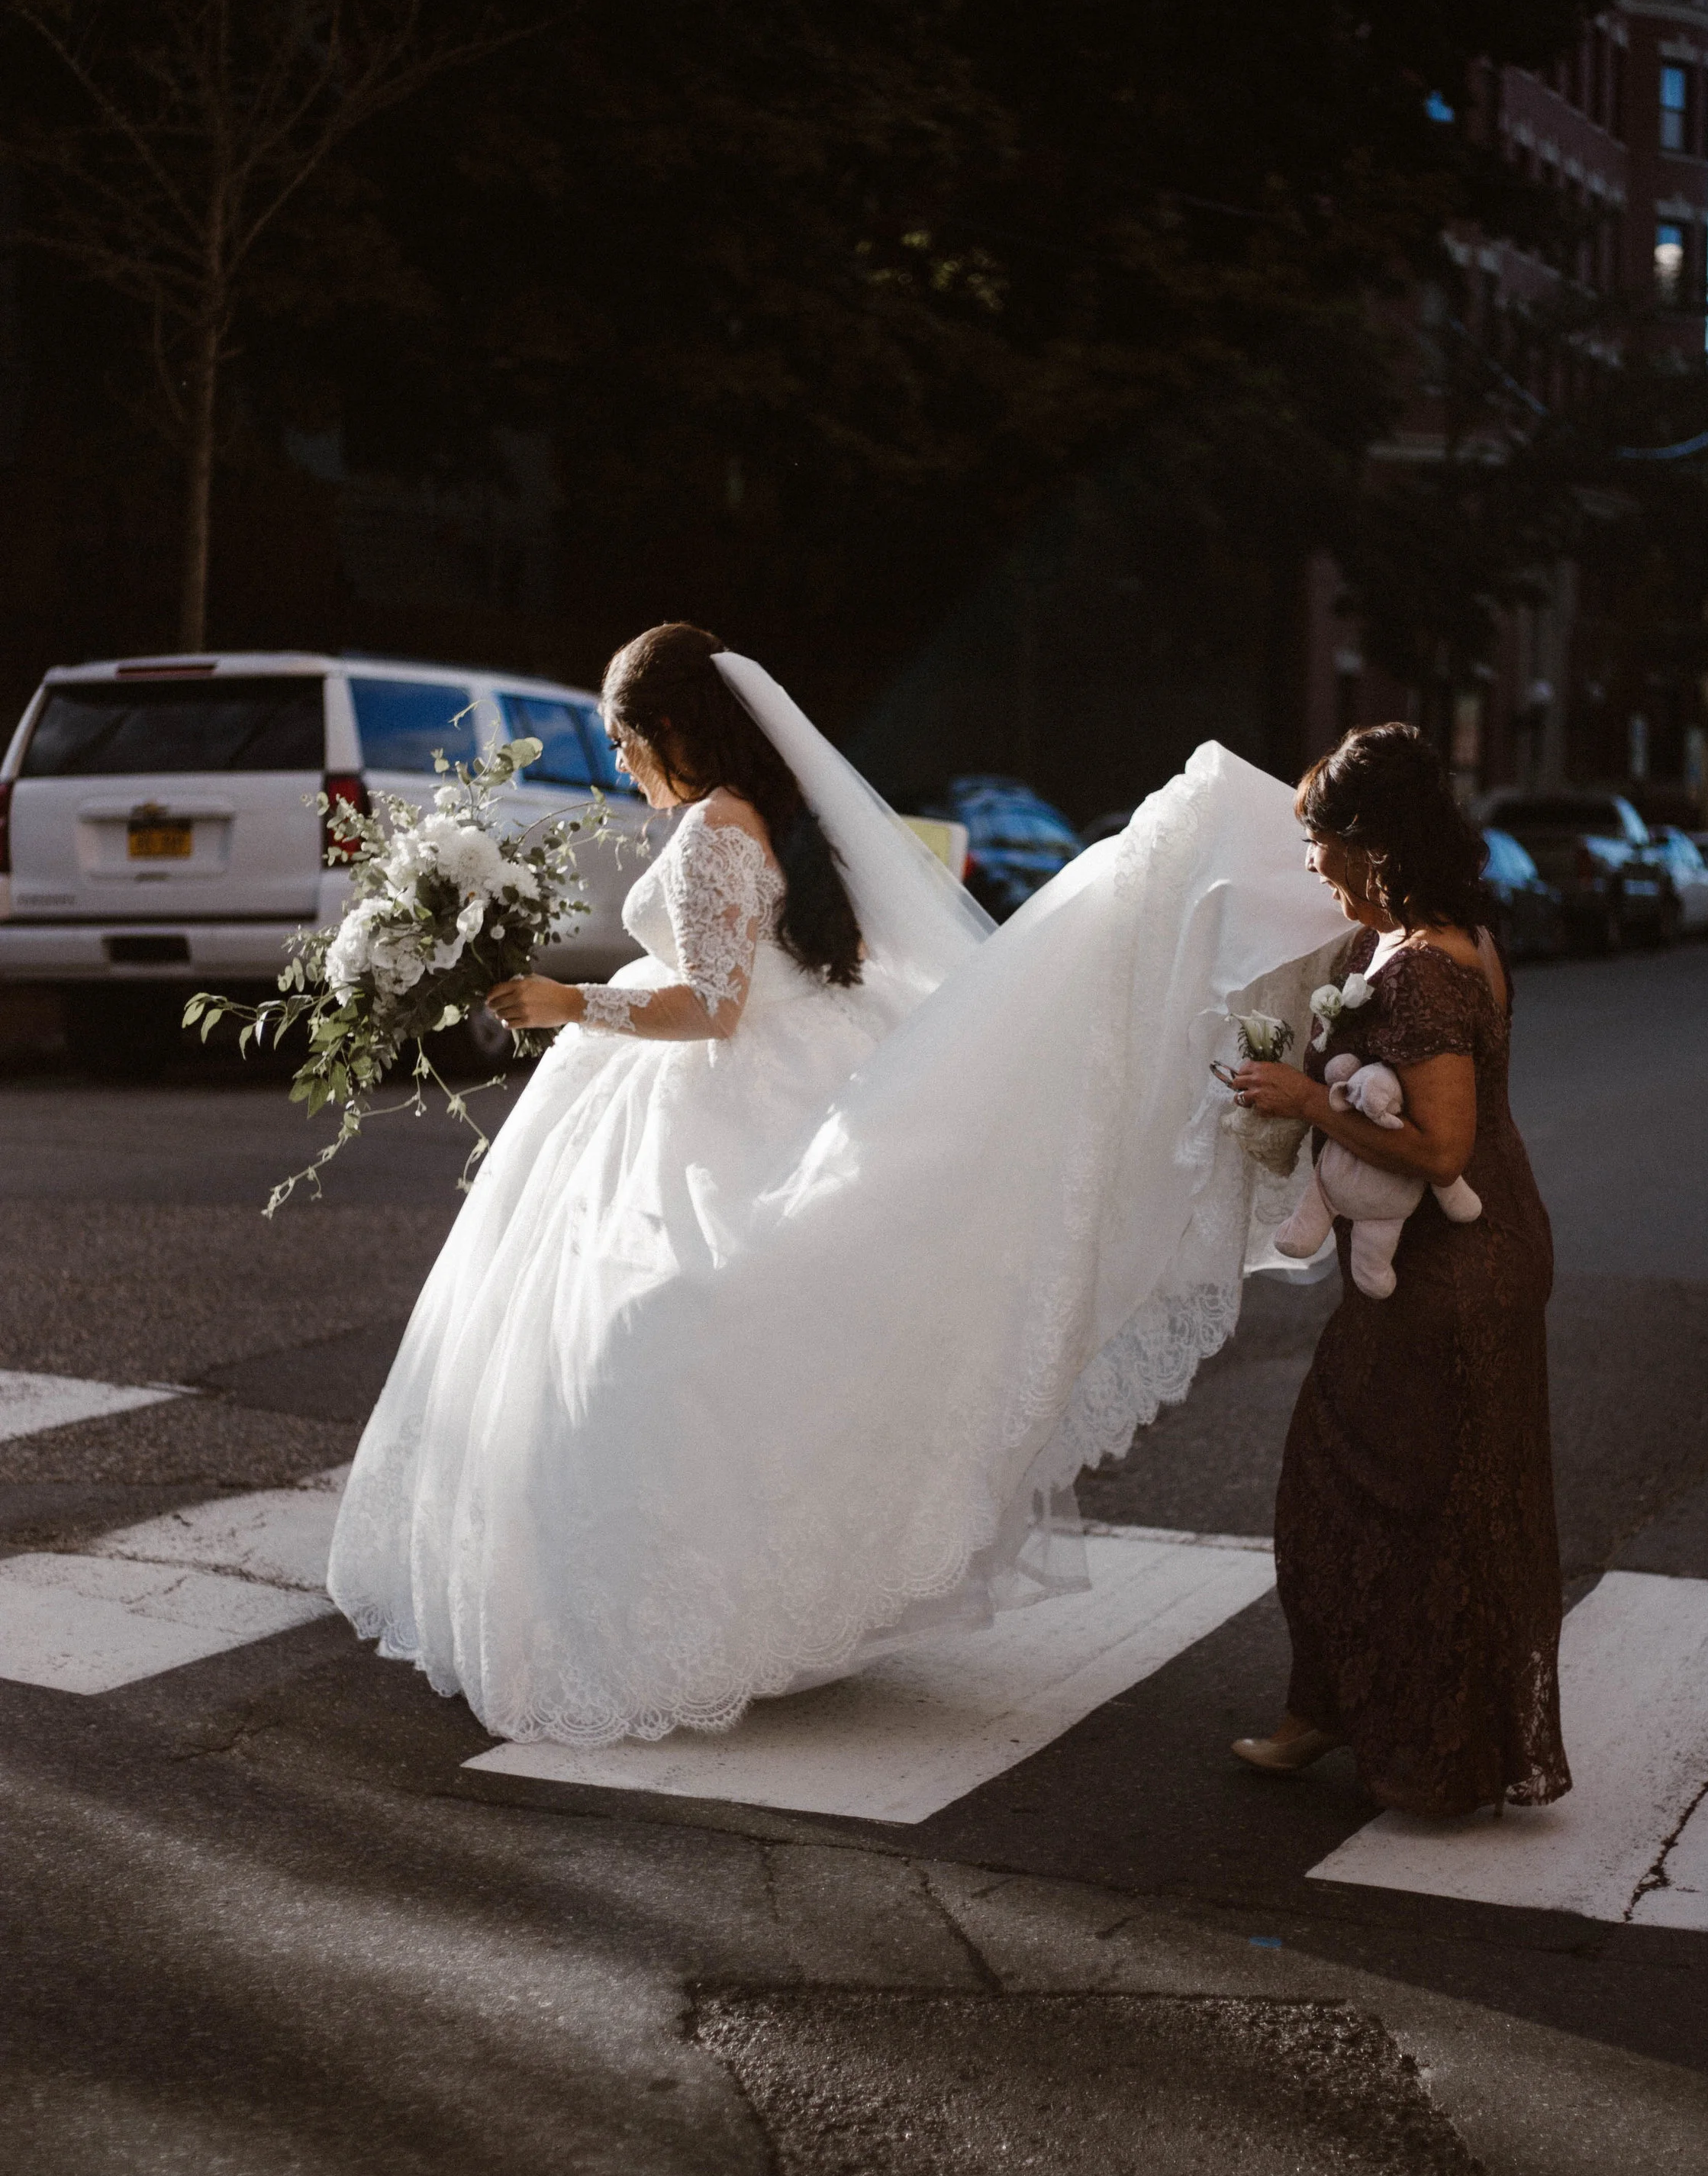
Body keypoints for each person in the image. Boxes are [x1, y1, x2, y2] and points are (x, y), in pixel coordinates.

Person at [325, 627, 1347, 1746]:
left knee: (653, 1331)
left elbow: (712, 1007)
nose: (619, 763)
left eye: (624, 740)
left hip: (713, 1093)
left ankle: (673, 1615)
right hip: (777, 1068)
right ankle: (732, 1600)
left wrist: (568, 1003)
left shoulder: (717, 828)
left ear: (673, 729)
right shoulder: (774, 814)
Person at [1222, 723, 1570, 1819]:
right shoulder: (1440, 938)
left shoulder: (1423, 968)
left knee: (1364, 1484)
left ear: (1372, 843)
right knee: (1425, 1494)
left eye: (1320, 841)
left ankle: (1418, 1742)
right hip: (1470, 1252)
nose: (1310, 863)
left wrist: (1308, 1100)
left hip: (1455, 1268)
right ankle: (1358, 1715)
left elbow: (1441, 1147)